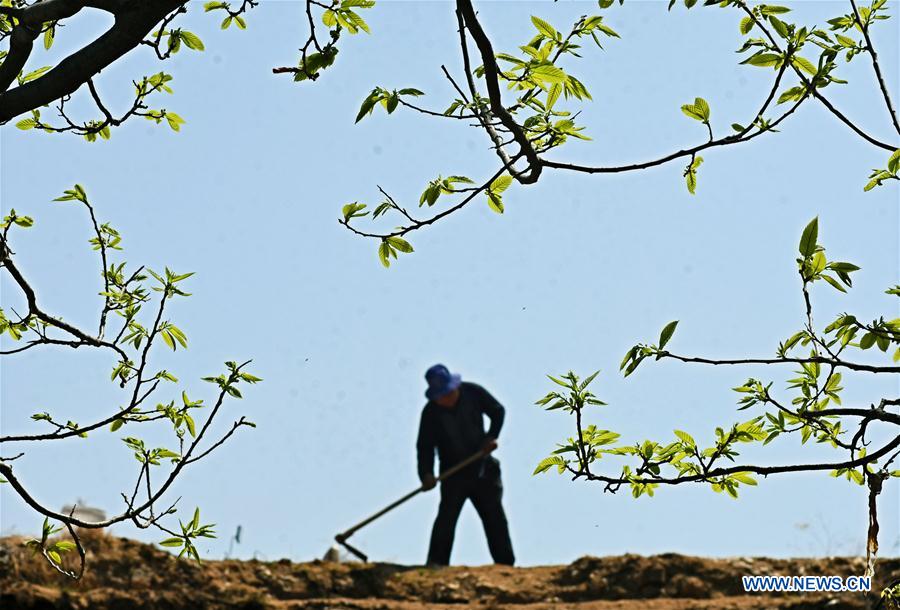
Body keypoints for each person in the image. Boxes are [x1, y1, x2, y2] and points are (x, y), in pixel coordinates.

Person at [416, 363, 515, 566]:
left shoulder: (473, 393)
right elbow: (425, 447)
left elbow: (498, 411)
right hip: (453, 474)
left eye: (448, 393)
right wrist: (426, 474)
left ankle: (505, 565)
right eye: (441, 396)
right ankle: (436, 564)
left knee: (494, 517)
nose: (446, 398)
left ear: (454, 387)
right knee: (446, 519)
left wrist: (491, 437)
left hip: (483, 468)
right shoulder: (430, 413)